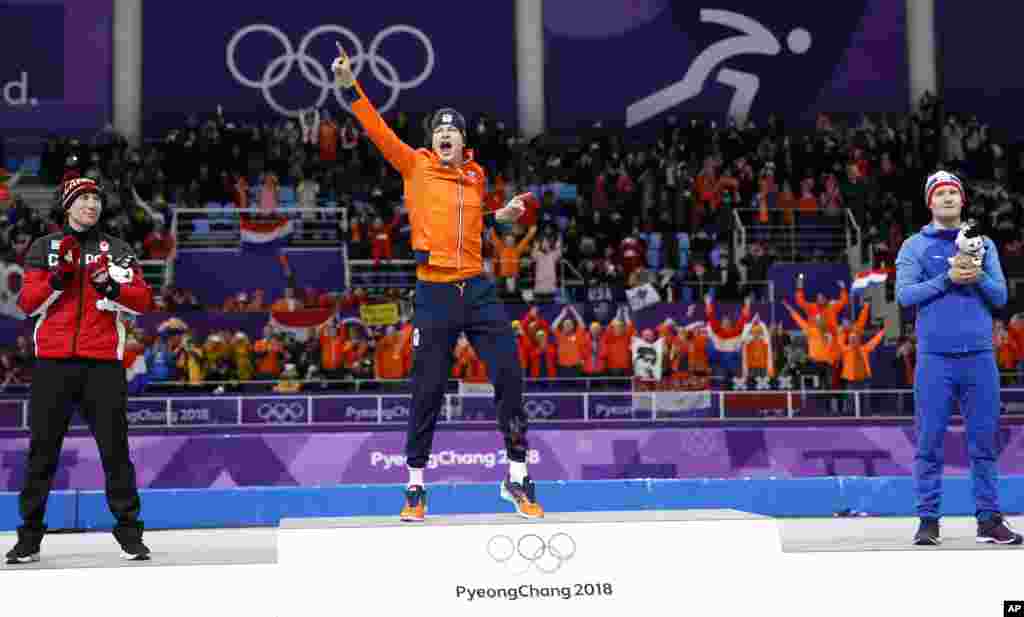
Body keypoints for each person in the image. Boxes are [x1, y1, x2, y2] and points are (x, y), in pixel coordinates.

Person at [332, 44, 542, 520]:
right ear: (432, 140)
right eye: (439, 131)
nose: (445, 135)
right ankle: (415, 484)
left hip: (479, 288)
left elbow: (465, 225)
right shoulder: (415, 165)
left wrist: (498, 216)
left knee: (509, 376)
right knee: (427, 387)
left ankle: (517, 477)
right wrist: (350, 84)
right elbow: (374, 127)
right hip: (434, 290)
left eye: (452, 131)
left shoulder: (475, 174)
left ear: (463, 141)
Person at [8, 177, 154, 564]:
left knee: (115, 451)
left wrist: (112, 289)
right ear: (68, 205)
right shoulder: (45, 248)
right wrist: (58, 280)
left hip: (103, 364)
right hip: (54, 363)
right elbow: (27, 304)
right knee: (42, 453)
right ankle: (29, 538)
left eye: (95, 198)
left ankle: (129, 534)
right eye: (83, 198)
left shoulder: (117, 249)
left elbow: (142, 300)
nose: (91, 204)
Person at [896, 170, 1021, 546]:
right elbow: (904, 296)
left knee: (984, 443)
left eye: (954, 192)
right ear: (930, 202)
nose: (948, 197)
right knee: (929, 442)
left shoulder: (983, 245)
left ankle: (988, 520)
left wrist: (977, 274)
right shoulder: (914, 246)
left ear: (962, 200)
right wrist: (948, 278)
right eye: (940, 193)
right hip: (935, 360)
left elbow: (1000, 298)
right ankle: (928, 521)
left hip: (980, 358)